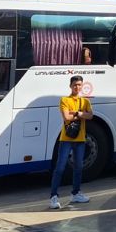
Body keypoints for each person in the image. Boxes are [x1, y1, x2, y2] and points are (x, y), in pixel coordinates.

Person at [49, 75, 94, 210]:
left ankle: (76, 193)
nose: (77, 87)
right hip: (66, 139)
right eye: (75, 85)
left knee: (79, 168)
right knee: (60, 168)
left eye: (79, 85)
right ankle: (53, 196)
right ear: (70, 86)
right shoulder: (64, 100)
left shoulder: (85, 101)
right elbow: (66, 117)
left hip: (80, 139)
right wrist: (80, 114)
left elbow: (90, 115)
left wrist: (77, 113)